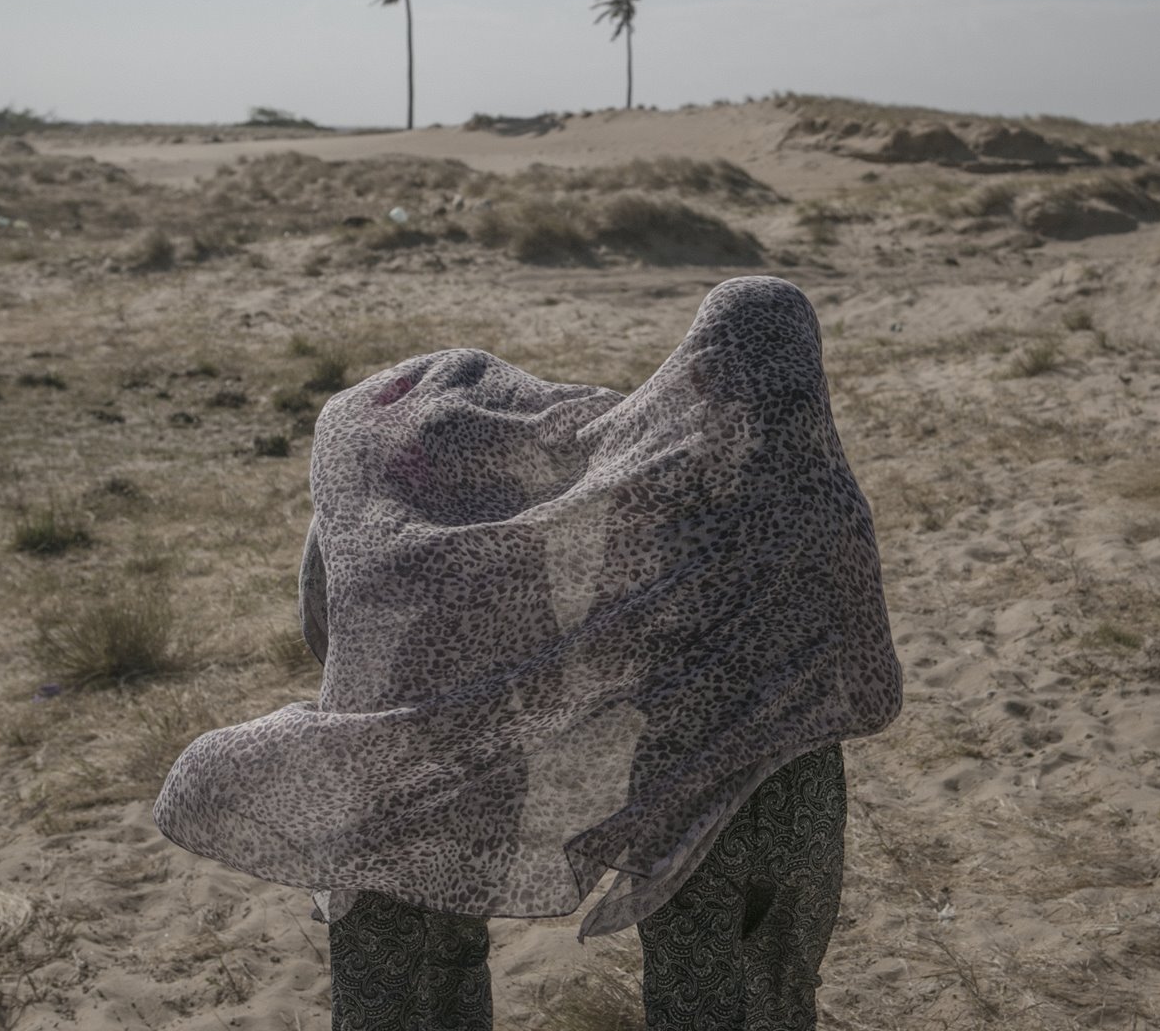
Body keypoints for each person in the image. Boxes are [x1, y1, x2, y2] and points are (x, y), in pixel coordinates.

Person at [155, 276, 902, 1029]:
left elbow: (324, 629)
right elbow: (873, 690)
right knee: (753, 983)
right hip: (760, 787)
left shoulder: (638, 491)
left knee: (421, 975)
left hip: (419, 776)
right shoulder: (822, 499)